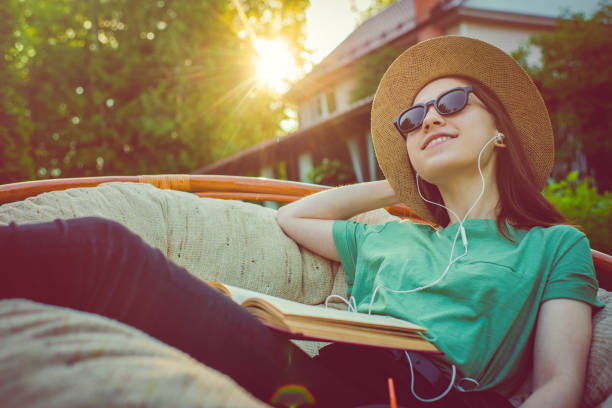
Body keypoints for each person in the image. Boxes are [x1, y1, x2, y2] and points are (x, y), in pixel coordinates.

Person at [0, 36, 603, 408]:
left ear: (499, 130)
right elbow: (294, 217)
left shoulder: (554, 247)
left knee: (108, 255)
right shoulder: (390, 234)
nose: (426, 121)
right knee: (110, 251)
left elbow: (557, 387)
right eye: (411, 121)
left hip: (442, 398)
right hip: (330, 383)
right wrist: (402, 183)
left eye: (449, 105)